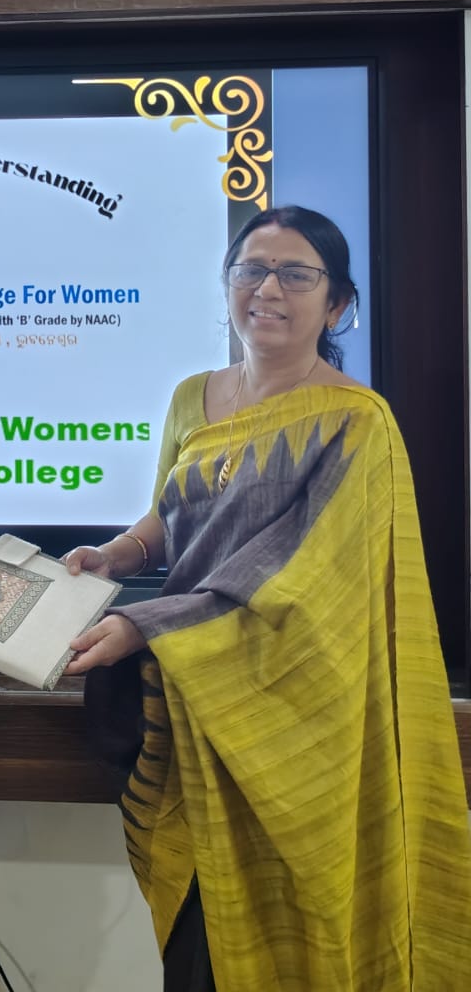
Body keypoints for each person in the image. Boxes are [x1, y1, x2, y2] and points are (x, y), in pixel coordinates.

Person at [63, 206, 471, 990]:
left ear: (338, 304)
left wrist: (141, 624)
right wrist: (116, 554)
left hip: (297, 717)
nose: (268, 289)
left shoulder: (358, 423)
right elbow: (169, 514)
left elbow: (303, 577)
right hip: (190, 700)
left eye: (295, 274)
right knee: (198, 945)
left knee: (303, 921)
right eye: (250, 270)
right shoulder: (192, 396)